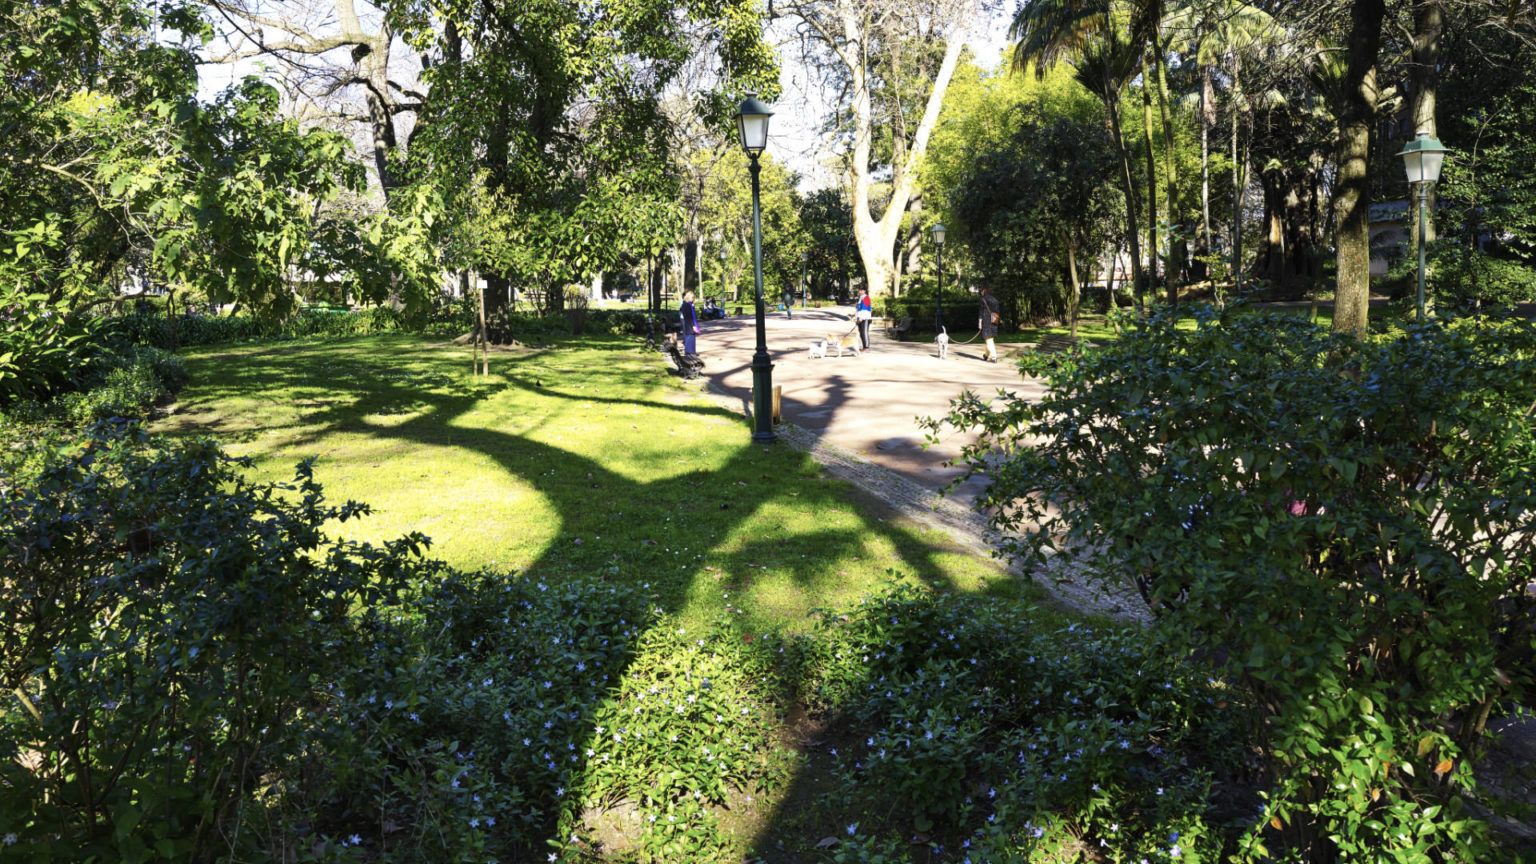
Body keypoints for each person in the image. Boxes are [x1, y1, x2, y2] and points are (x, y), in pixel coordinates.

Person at [978, 285, 1000, 362]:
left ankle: (994, 357)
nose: (981, 292)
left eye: (981, 291)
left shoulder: (983, 299)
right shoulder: (995, 300)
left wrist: (980, 322)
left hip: (986, 321)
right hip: (994, 320)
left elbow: (981, 312)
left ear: (983, 291)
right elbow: (997, 311)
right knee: (990, 338)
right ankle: (986, 355)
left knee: (989, 339)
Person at [680, 289, 700, 355]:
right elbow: (689, 316)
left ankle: (691, 351)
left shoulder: (688, 304)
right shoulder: (686, 305)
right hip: (688, 323)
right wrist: (693, 325)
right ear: (688, 297)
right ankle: (689, 351)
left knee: (691, 336)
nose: (693, 299)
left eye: (693, 297)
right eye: (692, 297)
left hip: (689, 323)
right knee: (690, 336)